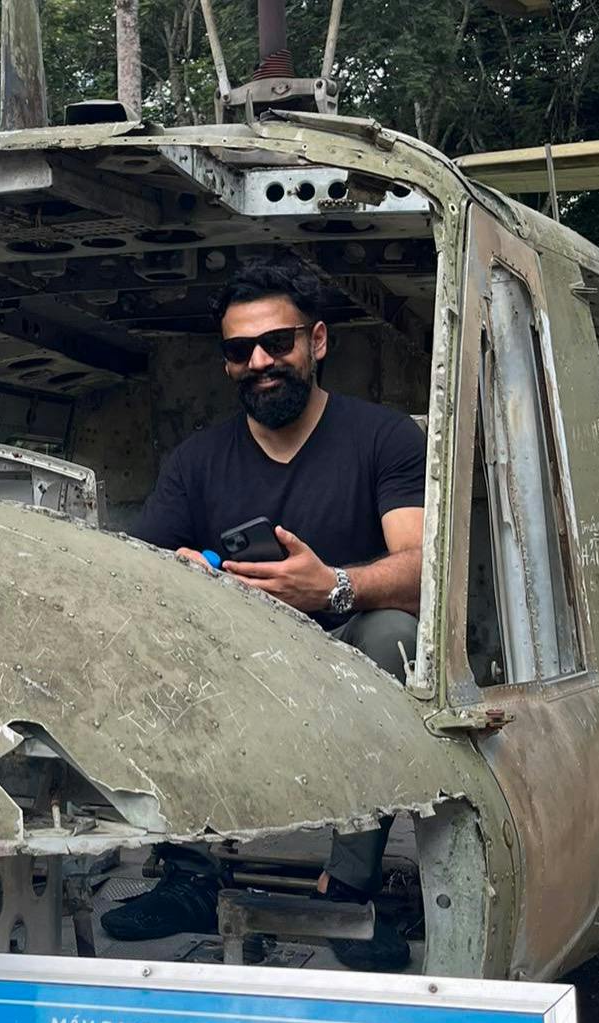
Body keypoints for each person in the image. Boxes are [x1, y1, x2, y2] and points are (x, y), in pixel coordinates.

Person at [103, 258, 424, 971]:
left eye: (276, 342)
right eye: (238, 350)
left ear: (317, 341)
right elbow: (131, 571)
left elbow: (422, 568)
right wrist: (186, 576)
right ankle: (187, 872)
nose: (258, 361)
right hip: (234, 661)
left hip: (344, 657)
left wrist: (331, 586)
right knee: (142, 636)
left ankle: (349, 888)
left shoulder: (384, 437)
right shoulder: (197, 460)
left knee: (395, 631)